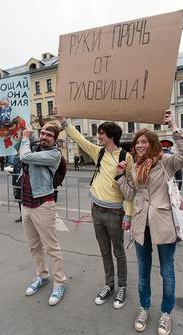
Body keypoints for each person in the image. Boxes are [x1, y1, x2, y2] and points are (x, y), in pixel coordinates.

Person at [115, 111, 183, 335]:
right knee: (143, 271)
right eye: (137, 142)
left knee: (167, 272)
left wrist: (173, 125)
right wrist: (120, 177)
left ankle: (166, 313)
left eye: (143, 142)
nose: (139, 145)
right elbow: (131, 194)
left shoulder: (166, 162)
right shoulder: (134, 167)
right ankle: (144, 308)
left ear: (152, 144)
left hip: (163, 223)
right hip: (141, 225)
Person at [57, 108, 134, 309]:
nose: (98, 136)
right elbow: (79, 139)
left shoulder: (126, 156)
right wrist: (63, 121)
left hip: (116, 212)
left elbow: (131, 188)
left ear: (111, 136)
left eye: (101, 133)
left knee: (119, 251)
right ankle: (109, 284)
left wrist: (129, 215)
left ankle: (122, 287)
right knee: (104, 251)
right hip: (97, 210)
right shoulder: (98, 152)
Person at [18, 124, 67, 306]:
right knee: (34, 246)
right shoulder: (33, 146)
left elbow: (24, 155)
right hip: (26, 203)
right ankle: (42, 275)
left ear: (55, 140)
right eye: (43, 133)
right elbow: (17, 148)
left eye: (49, 135)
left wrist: (25, 138)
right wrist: (22, 131)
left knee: (51, 246)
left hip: (43, 204)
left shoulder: (54, 154)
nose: (44, 137)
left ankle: (60, 282)